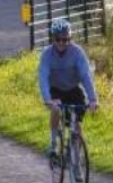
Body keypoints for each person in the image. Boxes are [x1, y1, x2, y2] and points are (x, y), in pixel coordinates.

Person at [38, 18, 98, 161]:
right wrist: (48, 99)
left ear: (70, 38)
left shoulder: (77, 53)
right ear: (53, 39)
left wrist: (93, 99)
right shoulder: (46, 55)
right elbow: (43, 78)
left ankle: (76, 158)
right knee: (56, 109)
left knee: (76, 124)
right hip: (56, 89)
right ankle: (53, 144)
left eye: (65, 40)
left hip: (73, 88)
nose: (62, 43)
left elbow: (85, 75)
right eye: (58, 39)